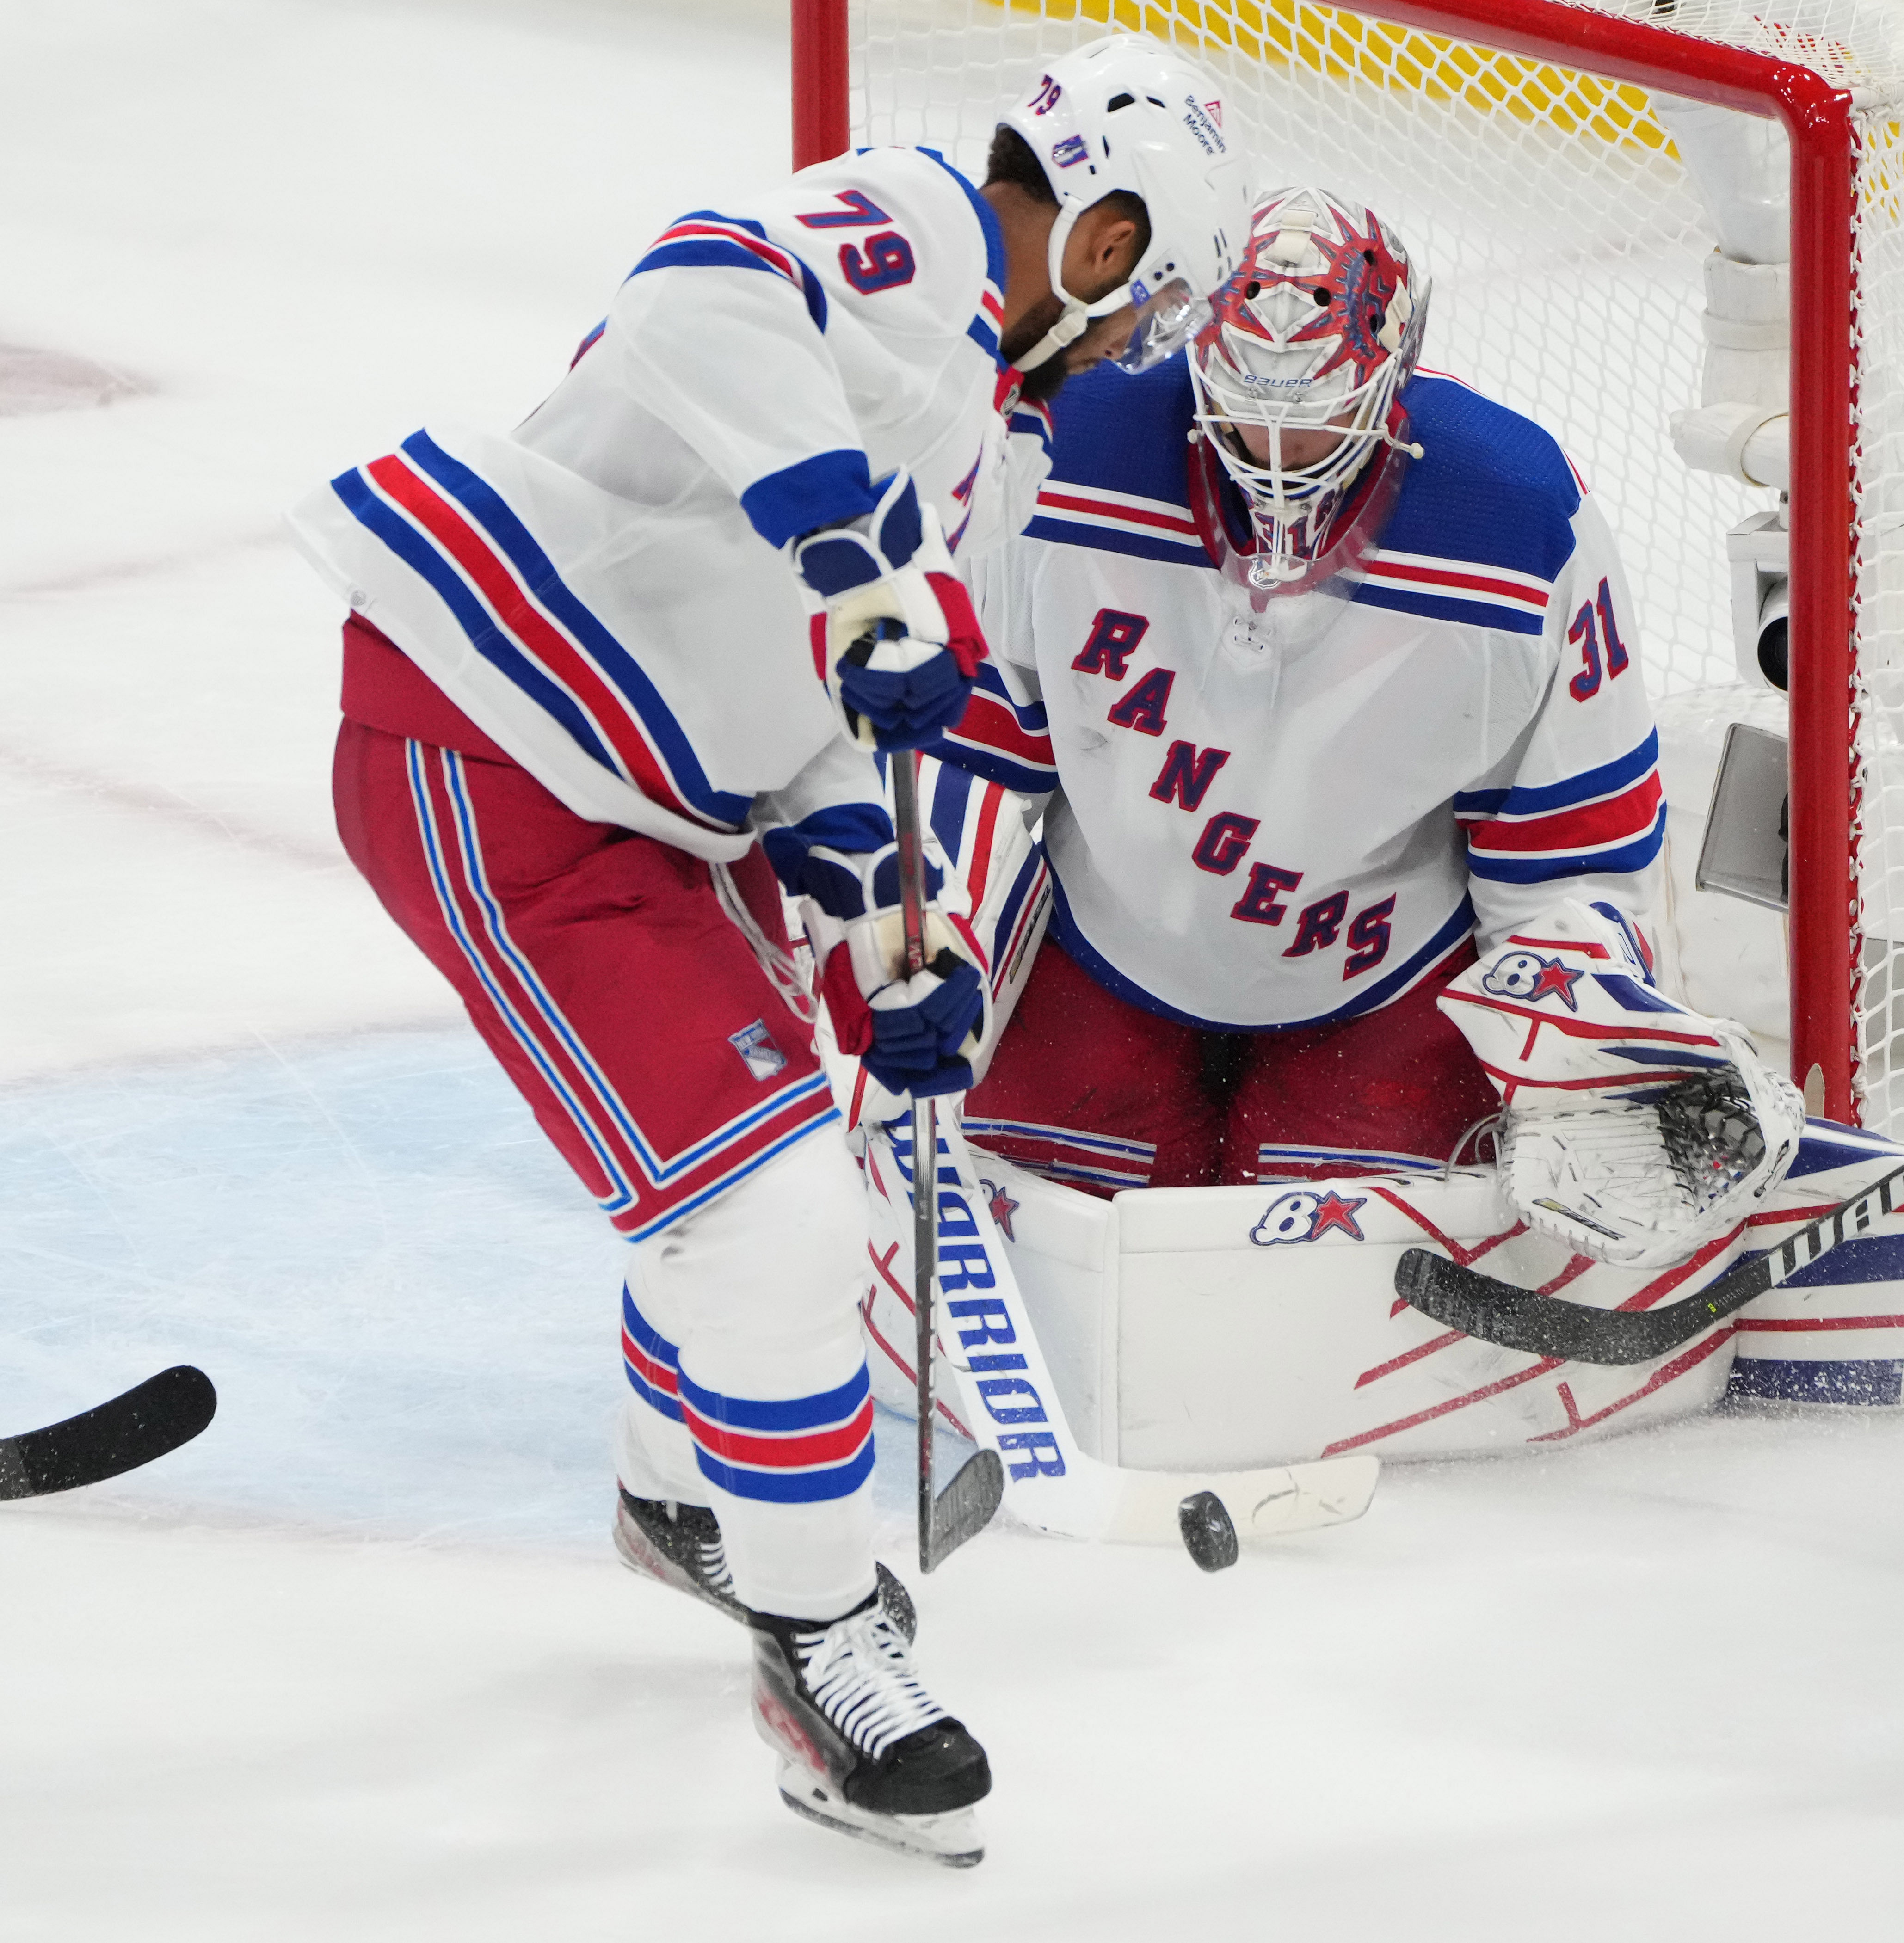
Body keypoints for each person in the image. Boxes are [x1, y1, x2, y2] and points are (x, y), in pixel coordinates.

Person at [285, 33, 1246, 1866]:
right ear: (1107, 238)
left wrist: (899, 925)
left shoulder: (986, 440)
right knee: (769, 1216)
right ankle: (820, 1650)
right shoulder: (919, 227)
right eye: (1147, 307)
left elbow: (835, 719)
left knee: (796, 1185)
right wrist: (853, 556)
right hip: (489, 743)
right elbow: (700, 287)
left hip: (646, 802)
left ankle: (682, 1497)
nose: (1132, 350)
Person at [924, 185, 1797, 1258]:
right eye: (1249, 405)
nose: (1279, 451)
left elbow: (1571, 854)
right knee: (1047, 1234)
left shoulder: (1518, 520)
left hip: (1379, 989)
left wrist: (1578, 1058)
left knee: (1326, 1279)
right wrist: (919, 943)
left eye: (1319, 412)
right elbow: (968, 751)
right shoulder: (1059, 448)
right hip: (1101, 949)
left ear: (1394, 373)